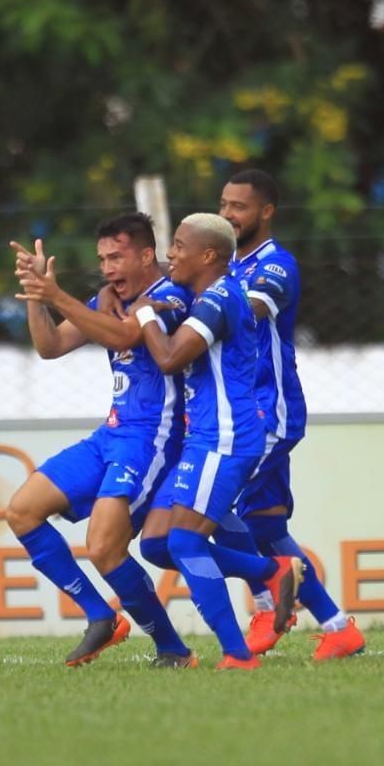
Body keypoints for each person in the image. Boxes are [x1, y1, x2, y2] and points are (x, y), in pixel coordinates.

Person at [8, 213, 195, 668]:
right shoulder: (107, 299)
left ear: (147, 254)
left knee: (104, 547)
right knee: (21, 510)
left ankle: (172, 649)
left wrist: (57, 294)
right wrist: (37, 295)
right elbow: (50, 346)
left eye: (117, 256)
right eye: (102, 259)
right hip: (110, 434)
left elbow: (128, 333)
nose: (108, 267)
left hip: (153, 438)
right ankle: (100, 615)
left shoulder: (171, 295)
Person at [133, 213, 302, 670]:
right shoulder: (209, 296)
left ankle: (237, 653)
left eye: (179, 246)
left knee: (186, 543)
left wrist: (144, 312)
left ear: (208, 255)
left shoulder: (218, 300)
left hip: (224, 439)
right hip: (207, 439)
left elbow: (168, 359)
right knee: (156, 545)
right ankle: (272, 571)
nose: (171, 254)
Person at [219, 169, 366, 660]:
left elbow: (246, 313)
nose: (228, 215)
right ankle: (338, 626)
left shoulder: (275, 266)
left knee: (205, 503)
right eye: (223, 205)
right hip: (237, 414)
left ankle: (264, 606)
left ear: (266, 212)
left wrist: (183, 297)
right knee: (265, 526)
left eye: (239, 207)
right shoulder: (225, 269)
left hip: (267, 413)